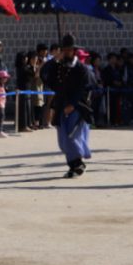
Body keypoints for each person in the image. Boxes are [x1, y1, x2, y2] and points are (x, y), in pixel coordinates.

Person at [41, 34, 94, 179]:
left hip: (77, 106)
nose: (67, 52)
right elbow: (44, 75)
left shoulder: (81, 68)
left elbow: (84, 88)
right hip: (60, 105)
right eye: (64, 50)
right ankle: (74, 166)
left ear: (74, 51)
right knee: (63, 140)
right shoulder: (58, 66)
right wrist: (53, 61)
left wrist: (73, 104)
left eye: (69, 50)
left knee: (72, 136)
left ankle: (77, 164)